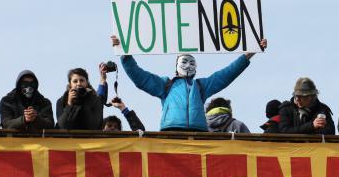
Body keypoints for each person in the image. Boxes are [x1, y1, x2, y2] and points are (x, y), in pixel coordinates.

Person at [114, 34, 268, 132]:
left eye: (192, 62)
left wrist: (249, 54)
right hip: (171, 131)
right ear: (176, 65)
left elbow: (226, 74)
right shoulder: (166, 85)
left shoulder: (200, 86)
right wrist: (125, 55)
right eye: (184, 62)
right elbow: (140, 78)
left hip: (198, 133)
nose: (188, 65)